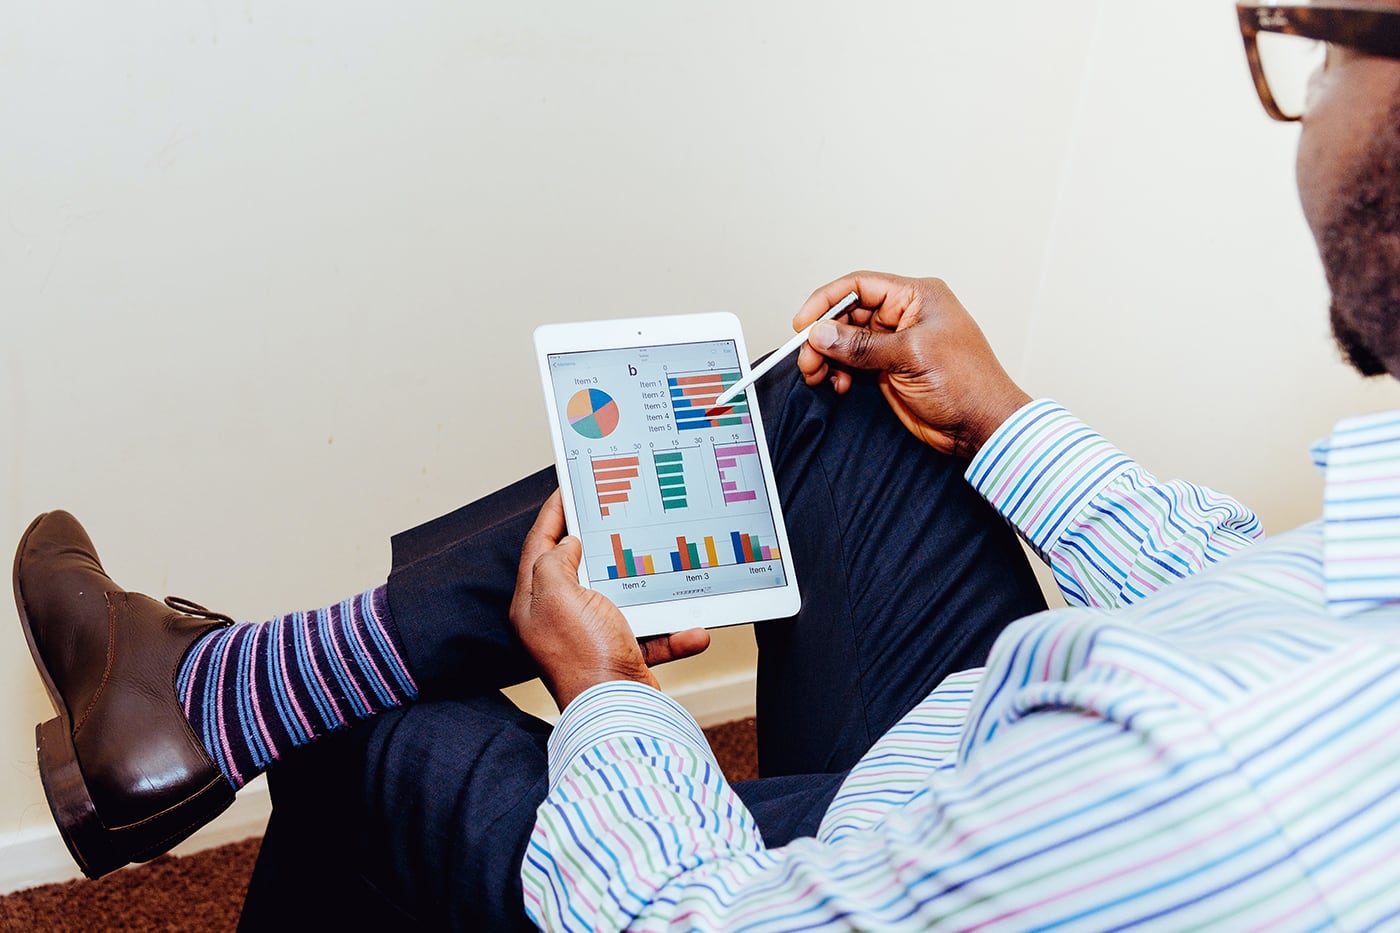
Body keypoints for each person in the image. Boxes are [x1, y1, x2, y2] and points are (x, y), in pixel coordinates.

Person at [13, 0, 1400, 928]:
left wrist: (612, 699)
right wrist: (1001, 417)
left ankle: (227, 698)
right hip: (983, 762)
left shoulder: (1225, 772)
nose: (1309, 97)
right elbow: (1256, 595)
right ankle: (198, 700)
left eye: (1323, 44)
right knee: (842, 401)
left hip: (862, 866)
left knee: (384, 737)